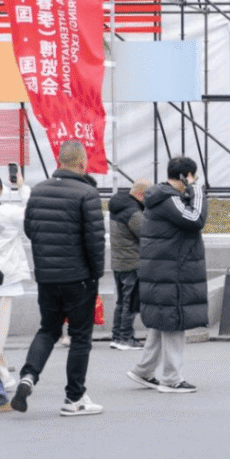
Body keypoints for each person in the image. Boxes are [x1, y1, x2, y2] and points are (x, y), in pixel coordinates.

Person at [11, 140, 104, 416]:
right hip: (79, 277)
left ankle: (28, 376)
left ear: (59, 162)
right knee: (80, 337)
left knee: (48, 330)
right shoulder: (87, 193)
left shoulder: (38, 191)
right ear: (81, 164)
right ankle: (74, 398)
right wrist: (96, 274)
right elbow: (95, 242)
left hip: (47, 277)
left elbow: (31, 230)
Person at [128, 156, 209, 394]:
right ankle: (171, 379)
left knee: (162, 322)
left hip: (166, 270)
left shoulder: (163, 197)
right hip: (172, 271)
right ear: (186, 176)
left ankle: (143, 371)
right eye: (193, 177)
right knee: (174, 322)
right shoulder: (168, 199)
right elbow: (196, 218)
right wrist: (197, 190)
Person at [108, 178, 153, 350]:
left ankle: (117, 336)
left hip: (119, 263)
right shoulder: (133, 212)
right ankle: (125, 338)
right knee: (131, 303)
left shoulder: (119, 206)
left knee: (121, 301)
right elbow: (146, 233)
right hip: (132, 263)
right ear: (142, 194)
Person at [0, 169, 30, 404]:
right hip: (5, 279)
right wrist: (21, 187)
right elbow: (32, 213)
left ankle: (4, 377)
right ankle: (3, 380)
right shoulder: (8, 212)